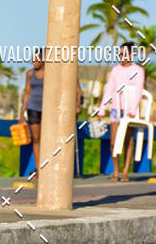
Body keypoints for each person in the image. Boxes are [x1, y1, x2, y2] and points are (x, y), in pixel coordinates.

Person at [20, 48, 82, 176]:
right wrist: (22, 113)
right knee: (36, 139)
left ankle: (49, 167)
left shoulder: (52, 73)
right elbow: (27, 92)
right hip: (33, 108)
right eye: (33, 59)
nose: (34, 62)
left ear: (44, 60)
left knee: (49, 139)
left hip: (49, 109)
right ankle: (38, 169)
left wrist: (76, 105)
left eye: (37, 59)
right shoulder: (30, 74)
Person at [97, 42, 145, 182]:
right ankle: (116, 170)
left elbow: (138, 91)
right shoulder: (115, 70)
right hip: (115, 110)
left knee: (127, 141)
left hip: (129, 111)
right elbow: (110, 90)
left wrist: (133, 110)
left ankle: (125, 172)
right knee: (113, 141)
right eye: (119, 54)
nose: (121, 56)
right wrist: (102, 108)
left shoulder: (138, 70)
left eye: (124, 54)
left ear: (131, 55)